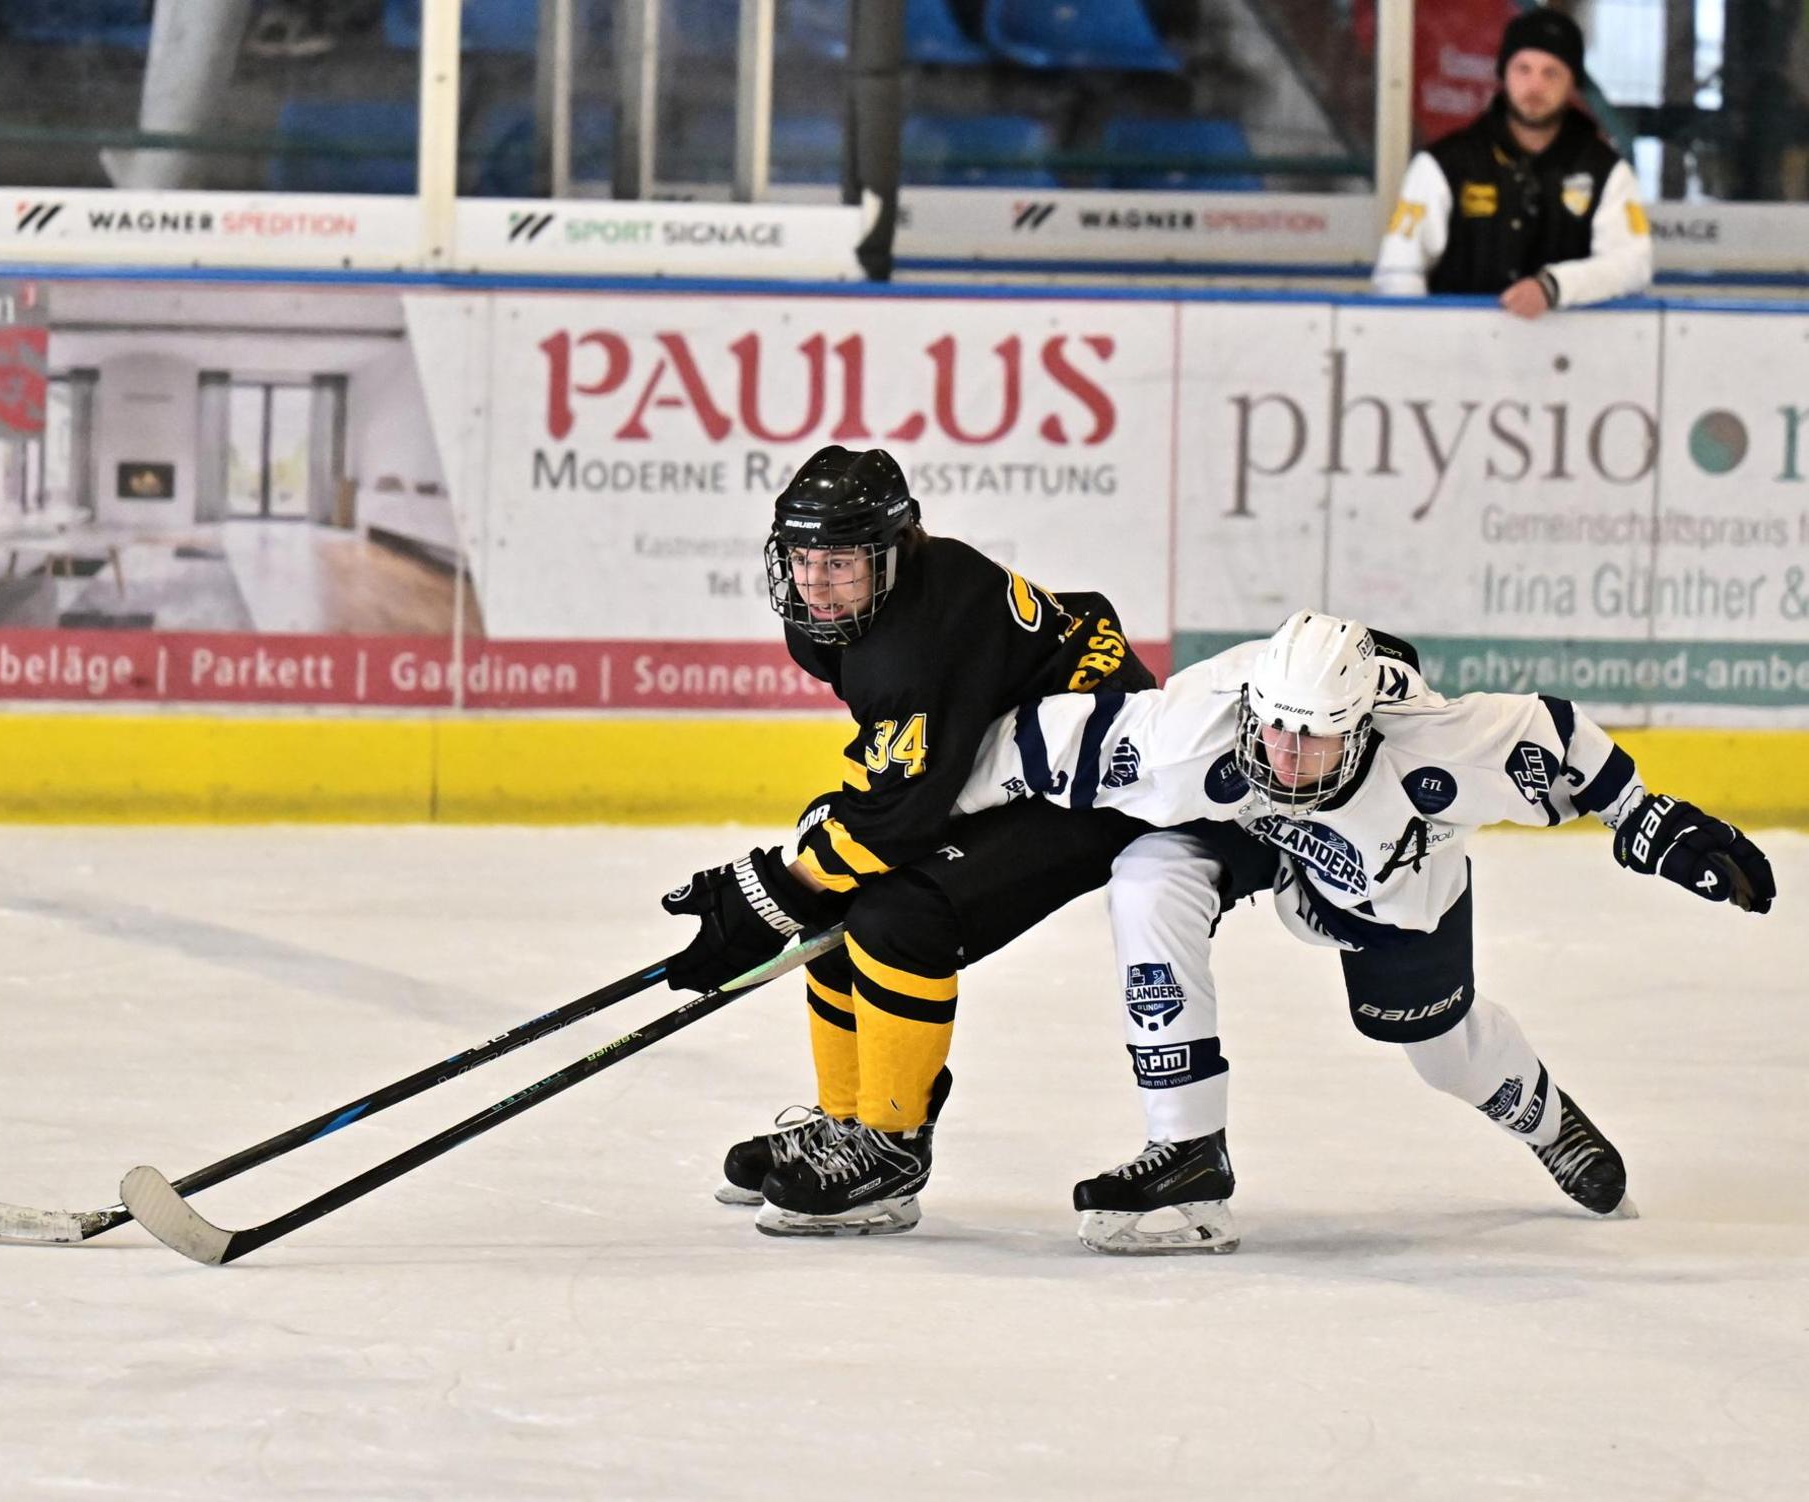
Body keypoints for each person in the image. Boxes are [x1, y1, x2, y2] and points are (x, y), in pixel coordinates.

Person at [958, 611, 1775, 1253]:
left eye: (1312, 743)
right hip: (1237, 829)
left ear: (1360, 728)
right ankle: (1186, 1148)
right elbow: (1024, 748)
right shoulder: (1191, 730)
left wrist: (1644, 818)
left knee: (1435, 1044)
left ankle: (1545, 1120)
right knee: (1147, 877)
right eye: (1273, 731)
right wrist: (881, 836)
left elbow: (1554, 733)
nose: (1283, 759)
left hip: (1386, 883)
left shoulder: (1437, 749)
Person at [658, 445, 1266, 1239]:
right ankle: (847, 1122)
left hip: (1098, 784)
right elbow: (909, 776)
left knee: (900, 916)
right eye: (802, 557)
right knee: (837, 878)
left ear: (894, 550)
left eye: (839, 561)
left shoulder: (919, 637)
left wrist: (776, 897)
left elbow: (902, 817)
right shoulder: (849, 615)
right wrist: (789, 890)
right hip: (1004, 754)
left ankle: (887, 1148)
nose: (814, 582)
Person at [1373, 8, 1652, 318]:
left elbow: (1633, 264)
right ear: (1503, 74)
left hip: (1569, 358)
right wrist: (1426, 344)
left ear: (1572, 82)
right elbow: (1398, 272)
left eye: (1551, 73)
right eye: (1523, 69)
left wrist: (1554, 287)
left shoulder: (1606, 171)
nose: (1535, 86)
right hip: (1456, 357)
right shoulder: (1443, 164)